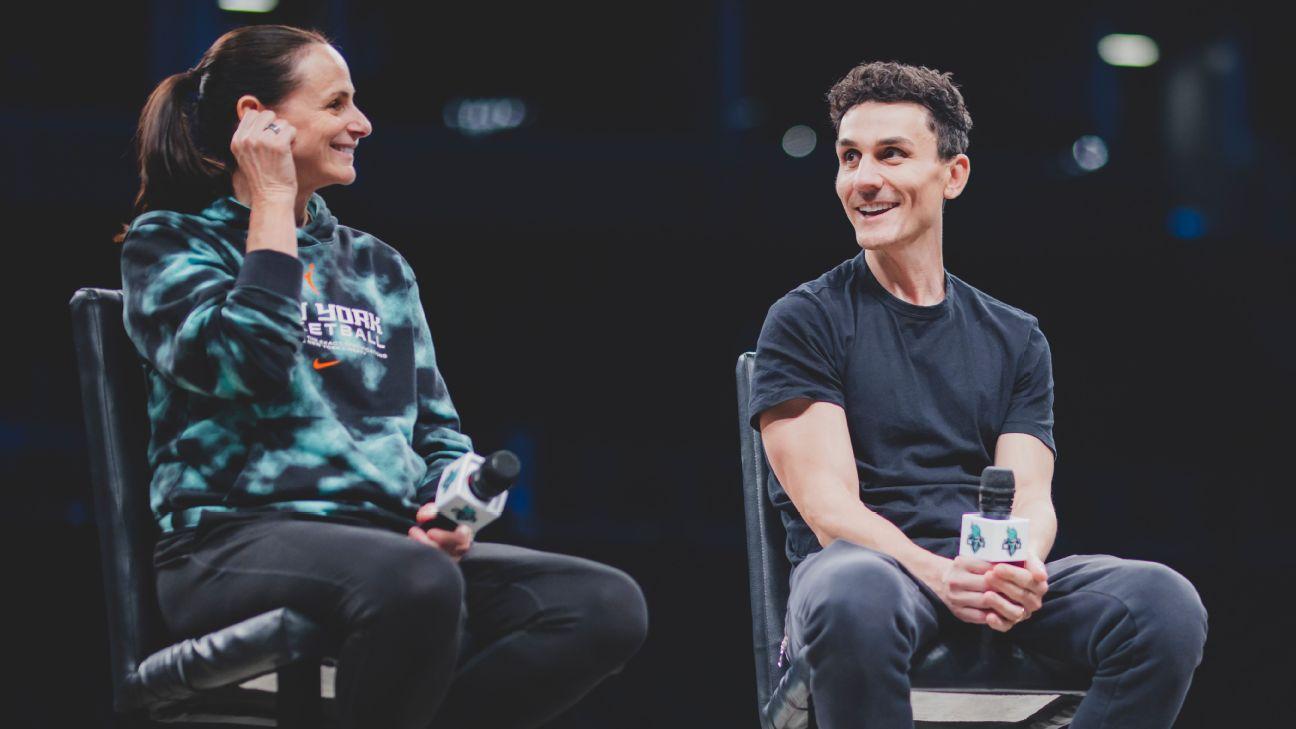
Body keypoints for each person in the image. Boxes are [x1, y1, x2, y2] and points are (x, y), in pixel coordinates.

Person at [119, 25, 647, 729]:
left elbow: (434, 430)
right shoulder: (172, 243)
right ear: (258, 119)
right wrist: (272, 204)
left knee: (603, 606)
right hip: (229, 545)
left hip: (389, 550)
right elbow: (248, 361)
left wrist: (448, 502)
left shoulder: (379, 266)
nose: (360, 124)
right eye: (336, 104)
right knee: (416, 582)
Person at [749, 61, 1207, 729]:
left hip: (977, 573)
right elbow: (829, 511)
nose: (862, 179)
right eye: (850, 158)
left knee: (1163, 603)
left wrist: (1017, 568)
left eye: (891, 154)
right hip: (877, 576)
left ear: (952, 175)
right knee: (855, 585)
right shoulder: (805, 318)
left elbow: (1031, 496)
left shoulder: (1015, 337)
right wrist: (939, 573)